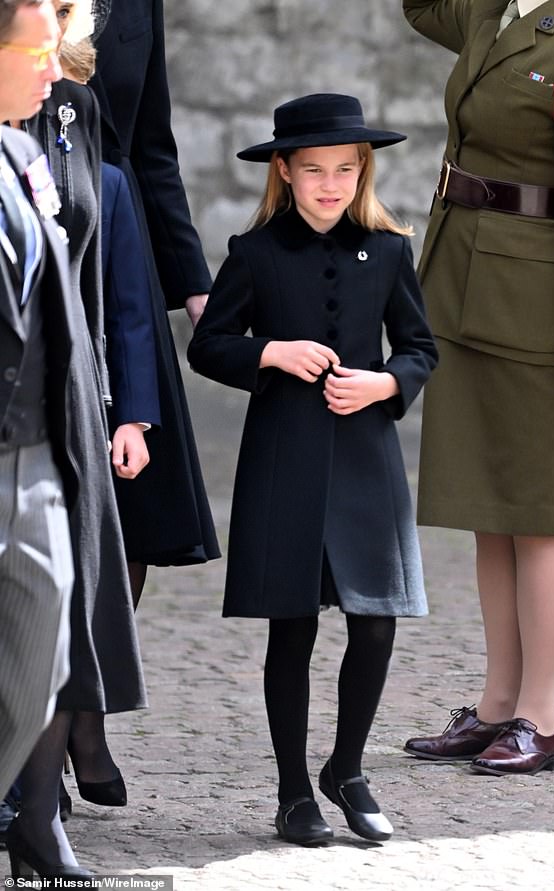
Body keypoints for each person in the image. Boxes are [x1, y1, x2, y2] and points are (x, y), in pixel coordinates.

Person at [188, 93, 438, 845]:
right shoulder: (254, 252)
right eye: (313, 170)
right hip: (284, 459)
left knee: (377, 621)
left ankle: (348, 767)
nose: (330, 184)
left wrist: (387, 383)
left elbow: (420, 347)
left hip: (367, 459)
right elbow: (209, 345)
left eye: (344, 169)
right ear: (285, 173)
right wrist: (271, 351)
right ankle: (294, 791)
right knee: (291, 629)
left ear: (362, 171)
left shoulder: (391, 250)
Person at [401, 0, 554, 775]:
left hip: (539, 306)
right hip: (462, 283)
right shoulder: (489, 11)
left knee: (542, 510)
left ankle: (543, 714)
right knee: (490, 510)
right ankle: (499, 704)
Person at [4, 1, 147, 878]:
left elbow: (92, 265)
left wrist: (115, 401)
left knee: (61, 624)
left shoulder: (65, 118)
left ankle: (38, 816)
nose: (59, 70)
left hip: (67, 408)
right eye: (40, 50)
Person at [91, 0, 220, 604]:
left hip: (120, 243)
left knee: (132, 507)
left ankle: (93, 692)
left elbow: (150, 144)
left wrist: (196, 288)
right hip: (20, 223)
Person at [0, 0, 73, 804]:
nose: (56, 73)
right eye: (38, 52)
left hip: (33, 463)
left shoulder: (24, 157)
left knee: (37, 673)